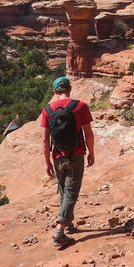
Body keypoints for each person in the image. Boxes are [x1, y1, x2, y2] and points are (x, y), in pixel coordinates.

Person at [41, 76, 95, 247]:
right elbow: (88, 133)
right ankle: (60, 231)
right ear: (70, 89)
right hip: (76, 154)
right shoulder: (80, 106)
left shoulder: (47, 110)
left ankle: (69, 224)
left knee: (64, 190)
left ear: (55, 92)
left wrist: (47, 162)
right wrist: (91, 152)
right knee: (71, 192)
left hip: (57, 156)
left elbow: (44, 139)